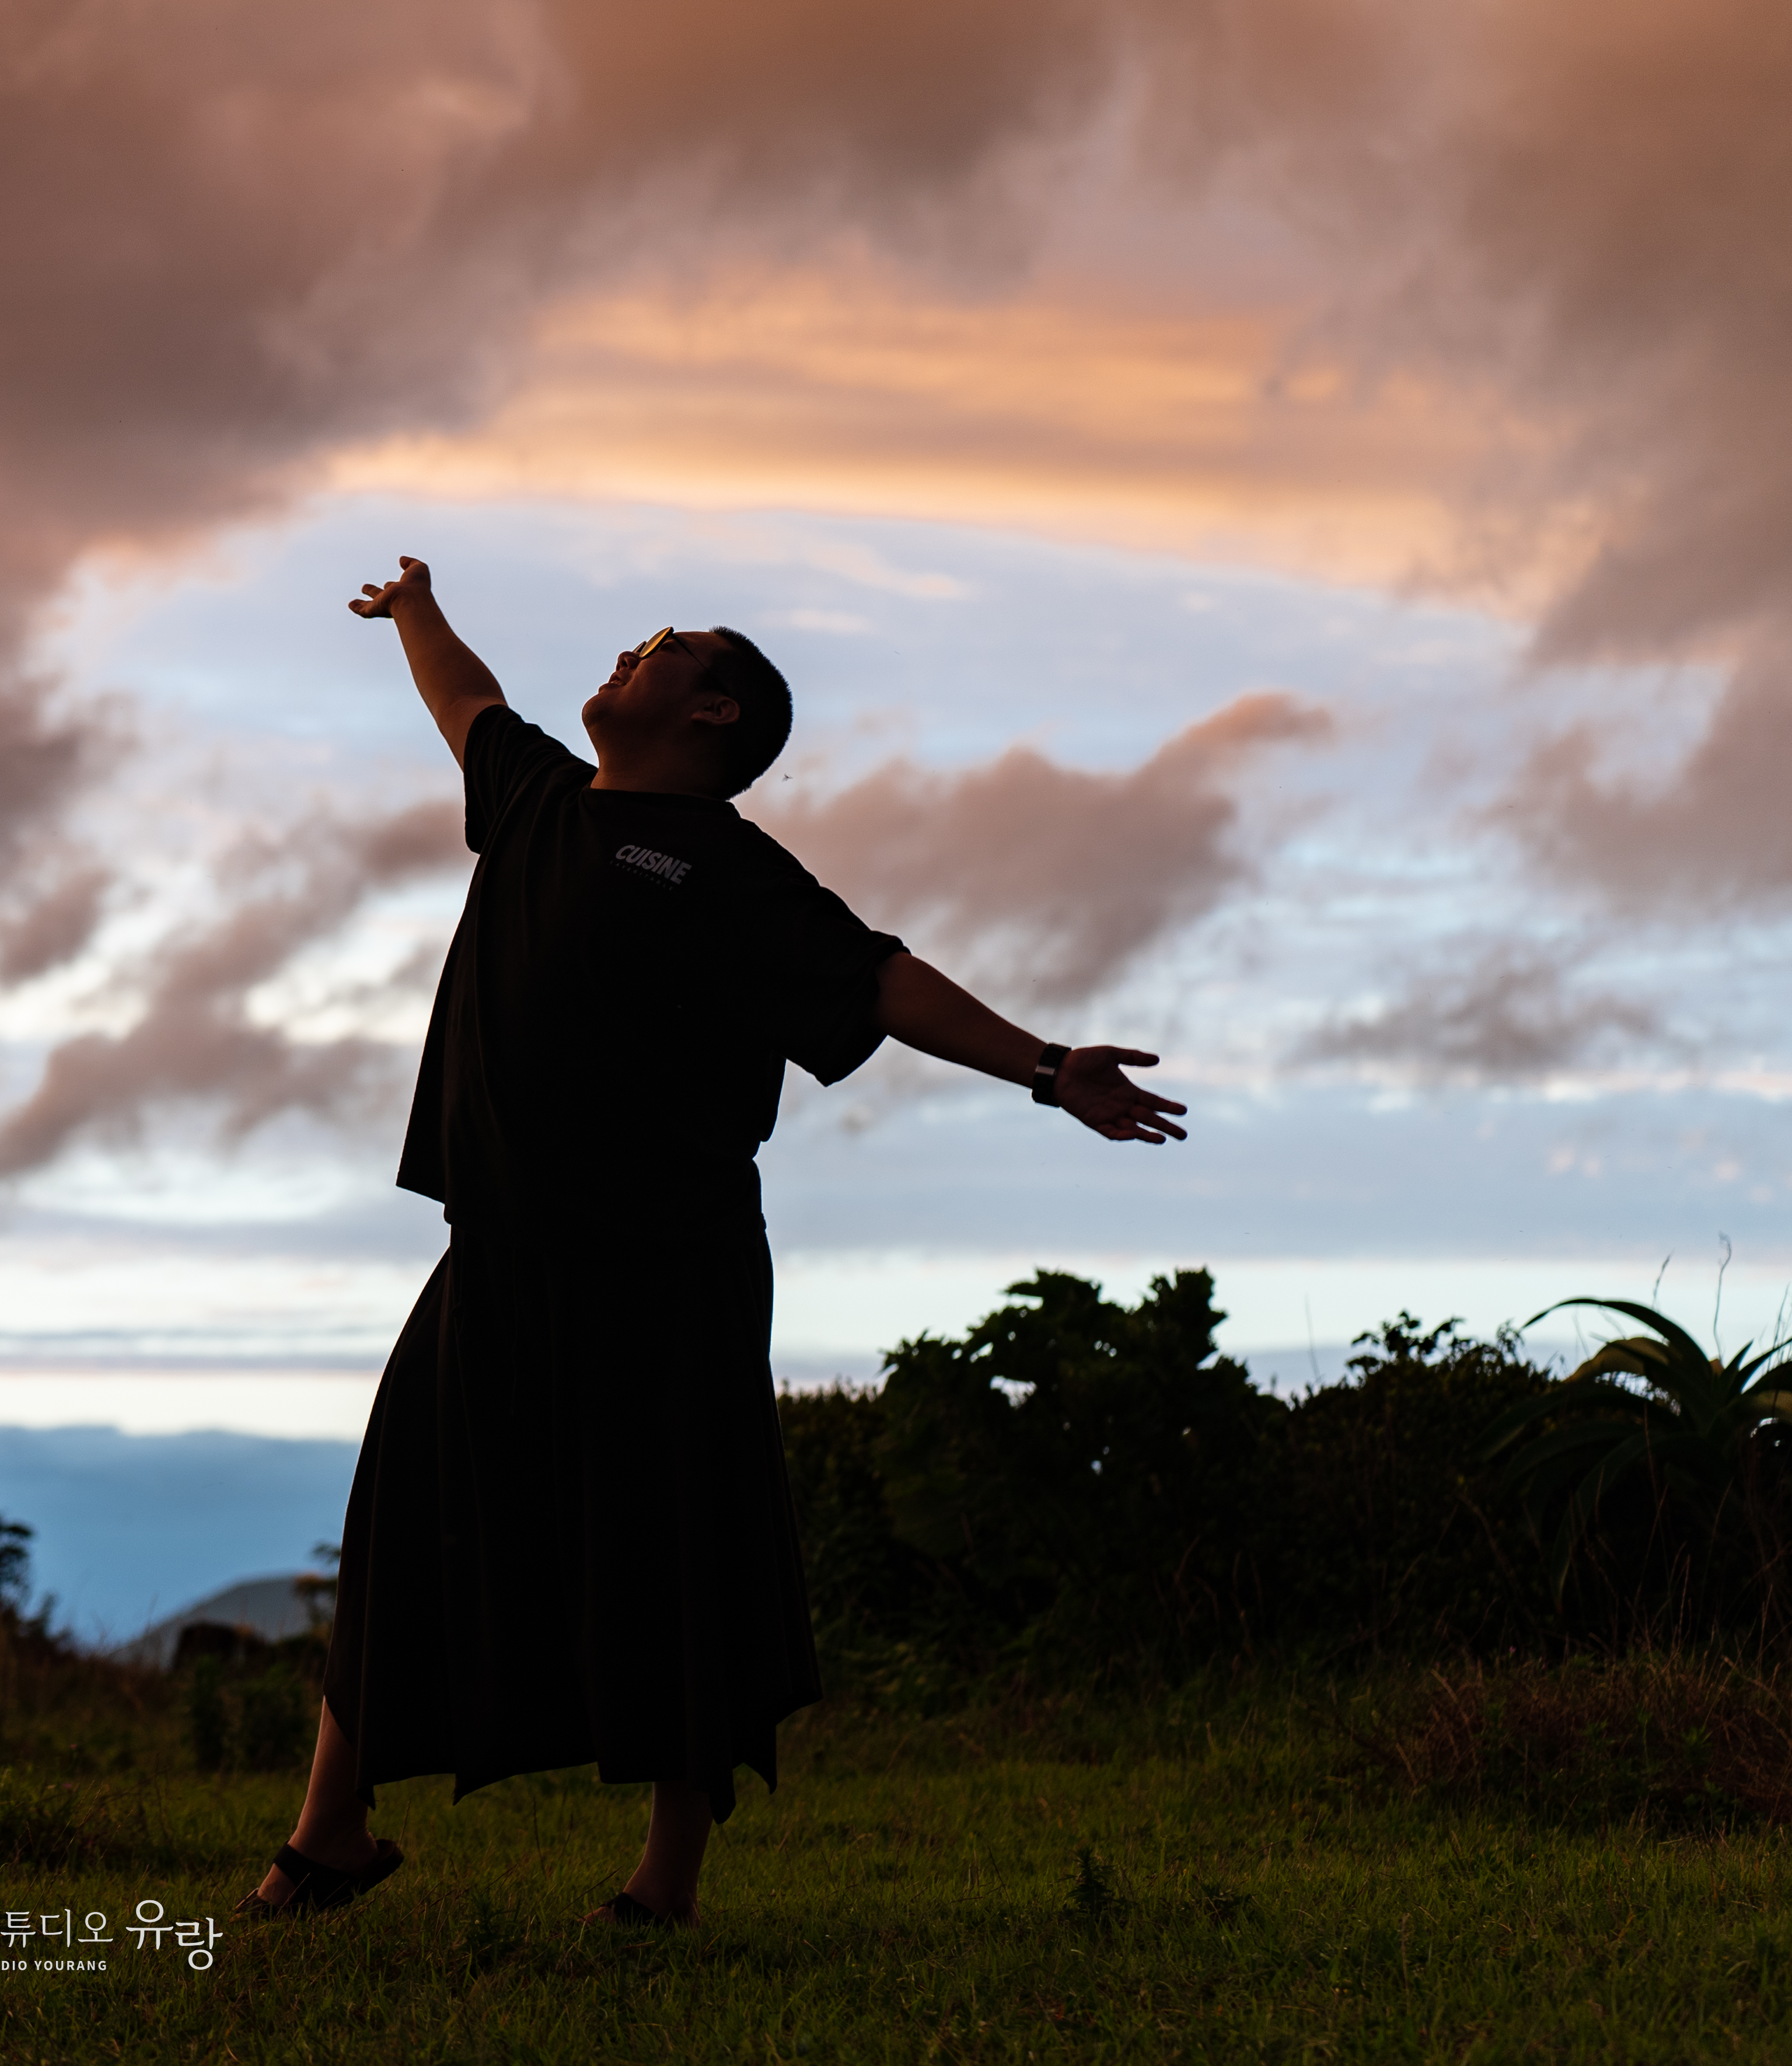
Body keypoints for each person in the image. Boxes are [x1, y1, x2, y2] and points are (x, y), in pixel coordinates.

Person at [240, 556, 1187, 1931]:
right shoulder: (538, 801)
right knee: (406, 1525)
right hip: (496, 1248)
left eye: (667, 647)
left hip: (665, 1266)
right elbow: (470, 703)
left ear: (717, 718)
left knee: (678, 1549)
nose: (635, 649)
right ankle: (332, 1838)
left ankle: (663, 1880)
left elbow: (878, 980)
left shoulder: (734, 872)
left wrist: (1049, 1071)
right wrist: (419, 608)